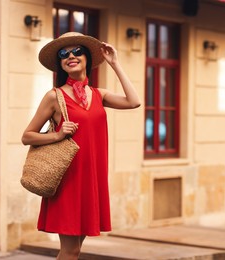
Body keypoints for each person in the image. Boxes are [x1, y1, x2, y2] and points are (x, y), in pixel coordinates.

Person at [21, 32, 141, 260]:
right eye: (63, 54)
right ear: (60, 63)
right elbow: (27, 136)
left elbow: (133, 101)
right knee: (71, 250)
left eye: (77, 51)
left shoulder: (99, 94)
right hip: (68, 181)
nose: (70, 56)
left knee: (74, 251)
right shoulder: (54, 97)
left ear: (86, 57)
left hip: (91, 181)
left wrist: (115, 64)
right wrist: (57, 135)